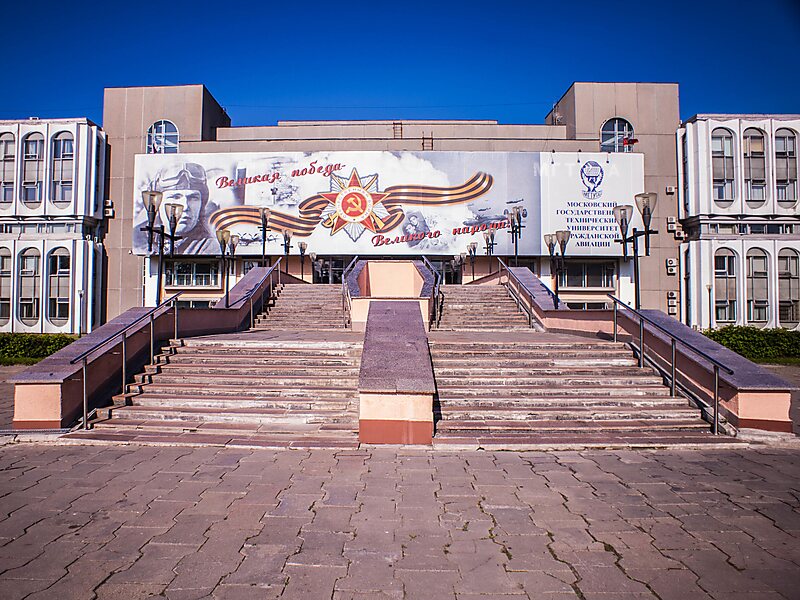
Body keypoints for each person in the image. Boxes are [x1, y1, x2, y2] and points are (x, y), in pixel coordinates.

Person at [135, 162, 217, 254]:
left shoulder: (213, 249)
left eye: (193, 198)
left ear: (202, 204)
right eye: (175, 197)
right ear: (157, 202)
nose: (185, 206)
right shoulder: (138, 242)